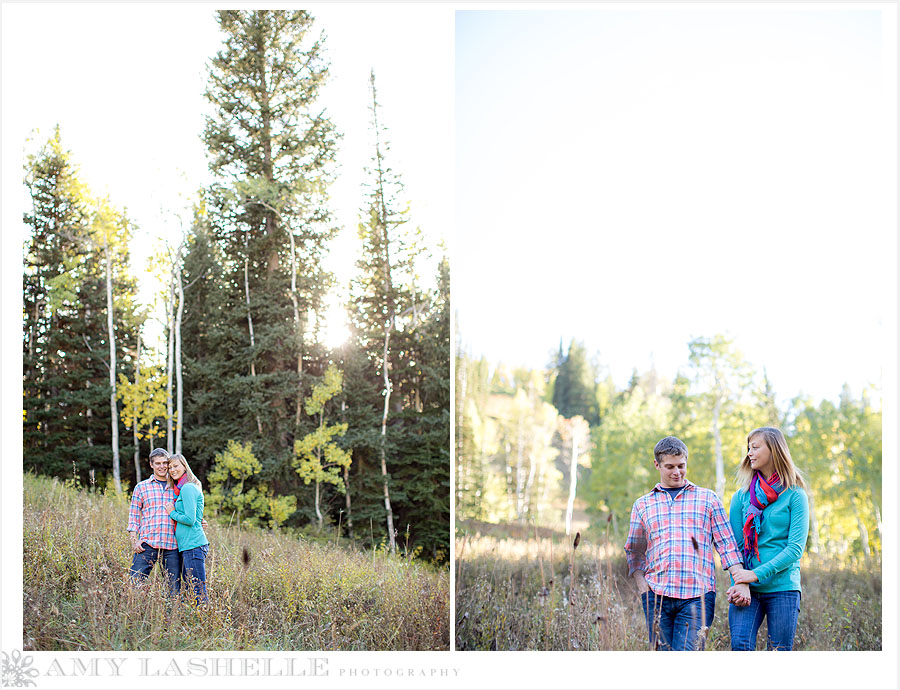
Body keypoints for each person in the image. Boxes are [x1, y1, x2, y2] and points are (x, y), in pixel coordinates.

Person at [625, 436, 749, 651]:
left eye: (681, 466)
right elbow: (635, 551)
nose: (677, 472)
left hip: (697, 597)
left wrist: (741, 580)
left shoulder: (707, 499)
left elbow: (727, 545)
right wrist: (643, 587)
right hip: (657, 597)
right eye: (669, 467)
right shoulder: (643, 504)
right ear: (657, 465)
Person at [727, 427, 809, 651]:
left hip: (783, 587)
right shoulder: (741, 497)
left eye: (755, 447)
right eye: (748, 448)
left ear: (774, 450)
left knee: (778, 650)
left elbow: (794, 550)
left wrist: (755, 574)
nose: (749, 454)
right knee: (740, 646)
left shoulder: (795, 495)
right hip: (747, 589)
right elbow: (736, 547)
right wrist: (742, 582)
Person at [127, 448, 182, 595]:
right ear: (151, 465)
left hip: (172, 546)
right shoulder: (141, 487)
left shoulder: (178, 487)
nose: (162, 466)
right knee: (134, 585)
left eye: (165, 463)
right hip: (147, 545)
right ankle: (135, 615)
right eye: (158, 463)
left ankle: (172, 617)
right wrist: (134, 541)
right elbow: (133, 517)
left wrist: (200, 521)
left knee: (174, 591)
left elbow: (188, 509)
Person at [163, 453, 210, 604]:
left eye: (175, 466)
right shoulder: (182, 488)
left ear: (184, 466)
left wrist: (172, 513)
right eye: (170, 467)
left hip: (194, 545)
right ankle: (199, 620)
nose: (172, 470)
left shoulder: (188, 488)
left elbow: (190, 519)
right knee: (193, 589)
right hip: (188, 546)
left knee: (198, 591)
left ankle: (206, 623)